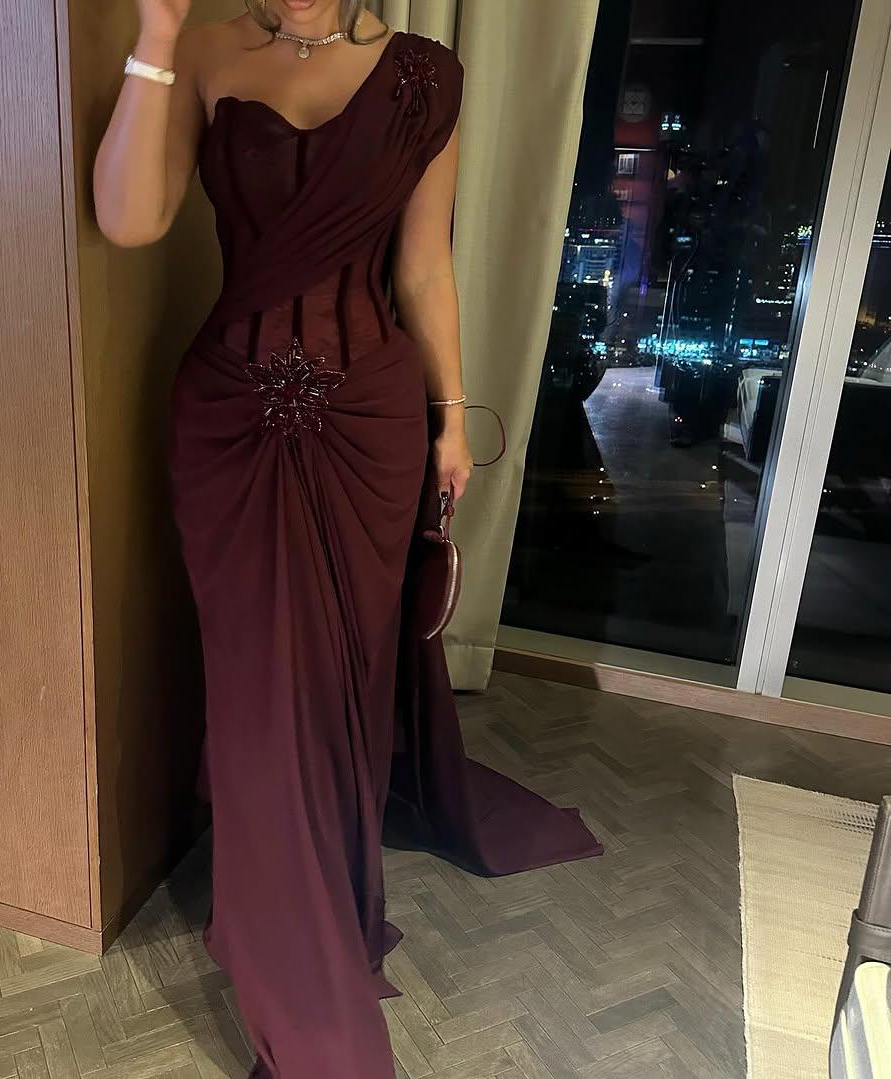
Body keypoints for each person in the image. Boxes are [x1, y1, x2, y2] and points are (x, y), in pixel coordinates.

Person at [94, 2, 603, 1075]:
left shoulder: (425, 75)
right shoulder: (200, 48)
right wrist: (155, 35)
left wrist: (451, 418)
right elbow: (130, 220)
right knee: (257, 689)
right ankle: (298, 965)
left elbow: (422, 268)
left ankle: (332, 890)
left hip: (369, 423)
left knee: (343, 679)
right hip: (229, 422)